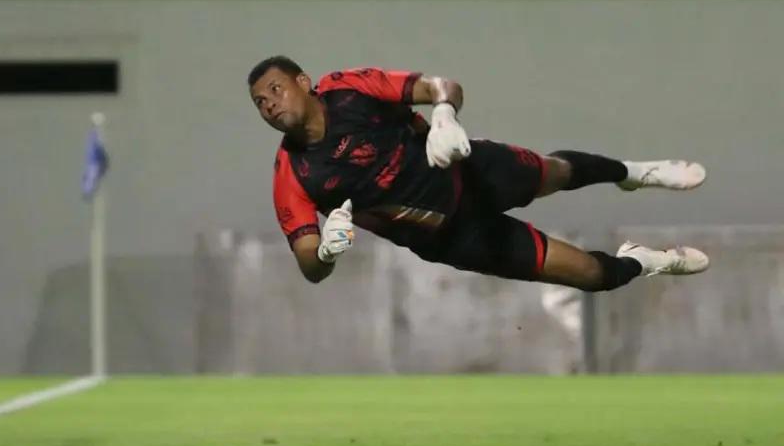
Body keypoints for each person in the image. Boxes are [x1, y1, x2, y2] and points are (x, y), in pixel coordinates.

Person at [247, 56, 708, 291]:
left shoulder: (349, 88)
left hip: (468, 171)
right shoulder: (292, 174)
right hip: (452, 236)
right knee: (591, 274)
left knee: (558, 171)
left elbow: (441, 85)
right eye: (261, 102)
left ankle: (633, 173)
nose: (270, 104)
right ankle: (646, 261)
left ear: (303, 82)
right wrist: (326, 252)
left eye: (275, 89)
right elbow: (309, 265)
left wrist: (444, 114)